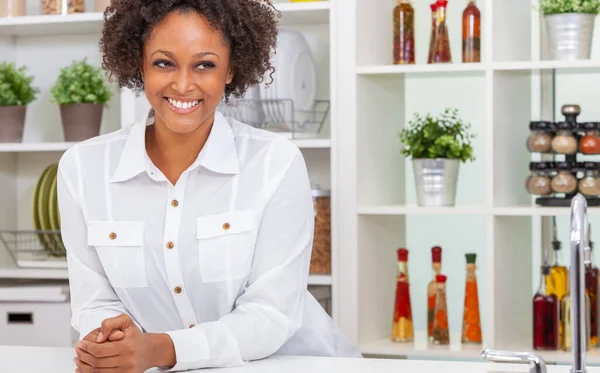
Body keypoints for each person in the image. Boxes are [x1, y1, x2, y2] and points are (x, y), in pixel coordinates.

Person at [57, 0, 360, 372]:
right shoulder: (84, 169)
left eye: (205, 65)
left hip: (291, 364)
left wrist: (160, 349)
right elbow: (94, 303)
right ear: (139, 64)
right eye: (164, 63)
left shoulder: (275, 163)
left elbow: (271, 314)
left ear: (231, 70)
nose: (183, 84)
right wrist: (112, 343)